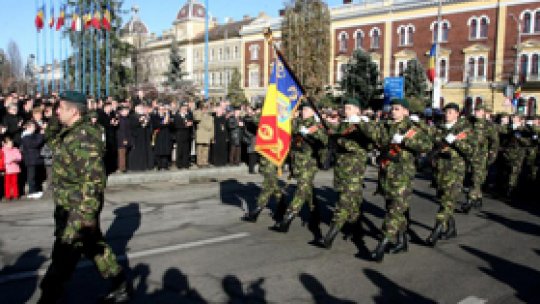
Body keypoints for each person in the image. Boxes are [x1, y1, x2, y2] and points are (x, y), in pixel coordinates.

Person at [38, 91, 131, 303]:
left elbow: (94, 179)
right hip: (66, 203)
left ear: (73, 111)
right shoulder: (68, 132)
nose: (57, 111)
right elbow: (50, 139)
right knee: (92, 245)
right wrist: (54, 114)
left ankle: (50, 293)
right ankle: (119, 282)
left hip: (79, 205)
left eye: (60, 108)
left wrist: (87, 213)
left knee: (65, 248)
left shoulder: (85, 136)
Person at [359, 99, 432, 261]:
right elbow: (375, 138)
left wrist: (406, 140)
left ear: (406, 111)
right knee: (395, 209)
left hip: (402, 175)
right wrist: (361, 123)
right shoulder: (386, 126)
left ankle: (381, 246)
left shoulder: (412, 128)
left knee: (394, 211)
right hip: (386, 174)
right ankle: (402, 241)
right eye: (392, 108)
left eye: (397, 109)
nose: (393, 111)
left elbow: (427, 145)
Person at [321, 97, 372, 249]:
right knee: (353, 202)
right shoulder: (343, 124)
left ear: (357, 110)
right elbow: (331, 136)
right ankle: (357, 231)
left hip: (354, 170)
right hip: (341, 169)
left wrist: (340, 141)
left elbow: (367, 144)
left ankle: (330, 235)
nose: (346, 110)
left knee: (343, 202)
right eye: (345, 108)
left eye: (350, 108)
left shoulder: (363, 125)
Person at [271, 102, 328, 233]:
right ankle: (316, 215)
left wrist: (309, 133)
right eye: (303, 110)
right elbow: (285, 126)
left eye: (307, 110)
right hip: (297, 163)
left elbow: (324, 141)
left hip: (309, 164)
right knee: (308, 191)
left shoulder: (318, 126)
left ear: (313, 112)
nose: (303, 112)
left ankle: (286, 220)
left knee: (301, 191)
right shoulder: (297, 122)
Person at [426, 103, 475, 246]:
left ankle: (436, 230)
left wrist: (455, 142)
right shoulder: (439, 128)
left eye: (450, 112)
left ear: (457, 114)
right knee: (445, 201)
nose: (447, 114)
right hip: (440, 170)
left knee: (447, 201)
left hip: (455, 170)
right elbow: (432, 144)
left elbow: (470, 150)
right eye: (446, 112)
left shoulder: (464, 130)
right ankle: (451, 228)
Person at [462, 104, 499, 212]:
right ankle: (478, 197)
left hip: (481, 157)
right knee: (473, 179)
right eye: (476, 110)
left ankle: (469, 200)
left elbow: (495, 142)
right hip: (468, 155)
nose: (477, 112)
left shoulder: (489, 126)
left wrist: (492, 155)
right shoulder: (469, 122)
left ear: (484, 112)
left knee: (476, 179)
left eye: (479, 111)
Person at [21, 121, 45, 199]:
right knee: (31, 176)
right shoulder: (25, 137)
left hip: (36, 158)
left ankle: (37, 190)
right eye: (33, 127)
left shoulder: (33, 135)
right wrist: (41, 135)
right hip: (31, 159)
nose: (34, 128)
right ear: (28, 127)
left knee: (37, 176)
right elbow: (34, 144)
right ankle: (32, 192)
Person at [194, 103, 214, 167]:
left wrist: (212, 136)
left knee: (206, 150)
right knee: (200, 149)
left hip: (207, 135)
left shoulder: (210, 117)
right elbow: (197, 118)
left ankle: (205, 162)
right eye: (204, 109)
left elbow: (211, 127)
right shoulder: (199, 115)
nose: (205, 110)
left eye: (206, 109)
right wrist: (200, 111)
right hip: (200, 135)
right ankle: (199, 162)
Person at [174, 103, 194, 169]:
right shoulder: (177, 116)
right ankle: (179, 164)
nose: (185, 110)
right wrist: (185, 125)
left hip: (187, 135)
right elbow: (176, 125)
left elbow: (191, 122)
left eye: (186, 109)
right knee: (180, 150)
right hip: (180, 135)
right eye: (184, 109)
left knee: (186, 150)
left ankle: (186, 164)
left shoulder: (188, 115)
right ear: (180, 109)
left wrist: (190, 123)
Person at [2, 136, 21, 200]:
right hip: (7, 169)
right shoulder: (3, 150)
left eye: (12, 143)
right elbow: (2, 159)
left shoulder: (15, 149)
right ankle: (8, 195)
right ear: (5, 144)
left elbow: (19, 157)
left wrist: (15, 159)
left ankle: (15, 194)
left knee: (14, 183)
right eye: (9, 144)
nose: (11, 145)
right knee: (7, 184)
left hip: (14, 169)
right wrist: (9, 160)